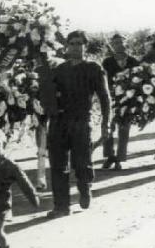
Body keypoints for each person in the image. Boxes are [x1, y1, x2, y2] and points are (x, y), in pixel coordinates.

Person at [46, 30, 111, 218]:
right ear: (67, 46)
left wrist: (106, 124)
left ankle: (84, 188)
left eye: (79, 43)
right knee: (58, 163)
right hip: (59, 122)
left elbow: (105, 98)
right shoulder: (59, 69)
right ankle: (61, 206)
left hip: (81, 121)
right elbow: (49, 95)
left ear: (85, 46)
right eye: (72, 43)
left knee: (82, 162)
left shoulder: (93, 68)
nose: (75, 47)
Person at [101, 33, 139, 171]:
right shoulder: (107, 62)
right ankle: (109, 156)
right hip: (110, 98)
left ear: (126, 44)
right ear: (112, 45)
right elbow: (103, 80)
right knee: (108, 127)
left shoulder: (133, 61)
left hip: (128, 99)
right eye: (116, 43)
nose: (119, 45)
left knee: (124, 129)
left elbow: (139, 80)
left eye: (121, 42)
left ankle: (119, 158)